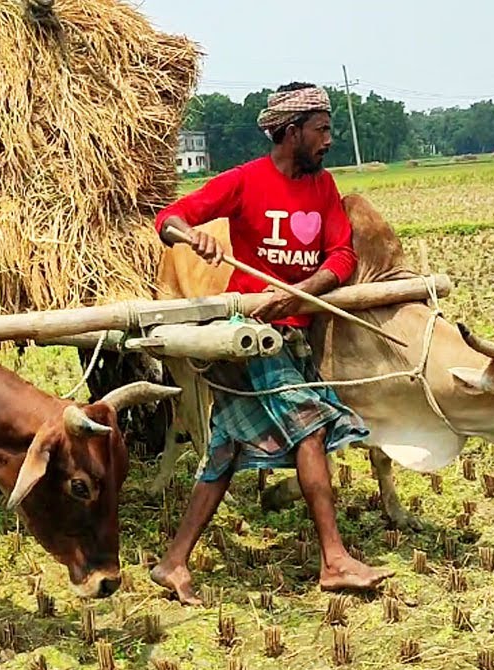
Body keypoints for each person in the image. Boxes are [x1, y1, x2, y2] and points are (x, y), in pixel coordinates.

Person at [149, 82, 394, 605]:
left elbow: (341, 256)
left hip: (292, 333)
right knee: (310, 426)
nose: (329, 139)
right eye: (321, 129)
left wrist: (300, 293)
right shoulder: (245, 181)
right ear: (291, 131)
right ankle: (334, 560)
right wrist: (193, 236)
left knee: (226, 447)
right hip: (253, 335)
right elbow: (168, 220)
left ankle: (173, 562)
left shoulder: (323, 188)